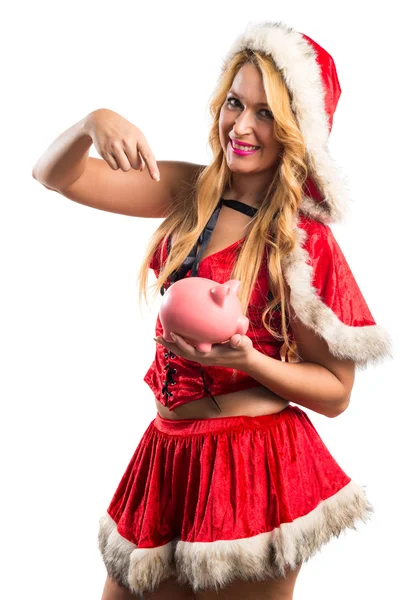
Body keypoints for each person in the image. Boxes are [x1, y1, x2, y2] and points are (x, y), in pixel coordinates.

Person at [32, 19, 392, 600]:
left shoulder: (301, 242)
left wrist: (249, 361)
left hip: (252, 467)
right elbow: (56, 176)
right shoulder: (189, 193)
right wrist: (92, 122)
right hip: (166, 456)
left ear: (298, 129)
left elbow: (336, 392)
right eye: (234, 103)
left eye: (267, 112)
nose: (242, 126)